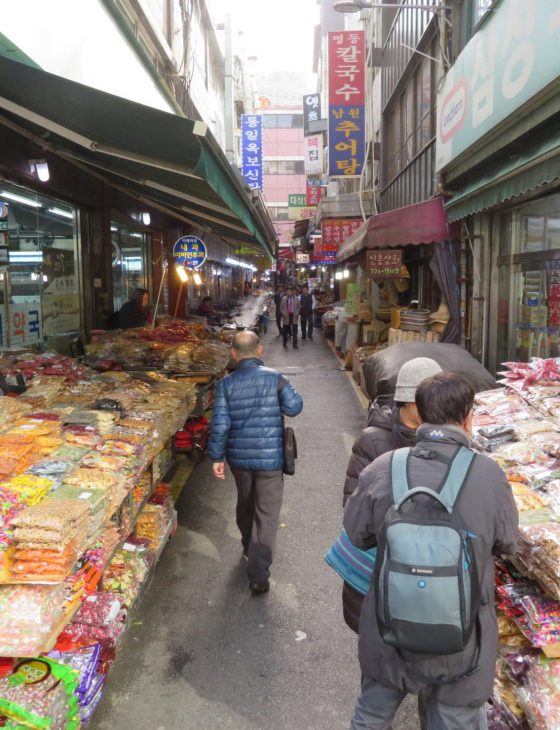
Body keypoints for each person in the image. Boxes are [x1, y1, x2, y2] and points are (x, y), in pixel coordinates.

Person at [344, 372, 518, 730]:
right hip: (463, 637)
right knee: (455, 718)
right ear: (468, 415)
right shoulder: (489, 476)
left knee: (372, 715)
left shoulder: (383, 469)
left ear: (419, 416)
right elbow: (507, 544)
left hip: (390, 627)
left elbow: (356, 534)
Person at [342, 357, 442, 633]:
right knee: (381, 664)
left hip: (430, 584)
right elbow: (352, 512)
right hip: (382, 579)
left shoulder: (445, 442)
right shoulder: (374, 441)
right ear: (409, 400)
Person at [208, 331, 303, 594]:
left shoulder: (226, 385)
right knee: (267, 515)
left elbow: (220, 425)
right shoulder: (275, 379)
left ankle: (249, 548)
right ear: (260, 350)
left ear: (234, 354)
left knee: (246, 504)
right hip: (270, 460)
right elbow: (295, 407)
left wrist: (216, 457)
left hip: (239, 460)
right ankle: (259, 575)